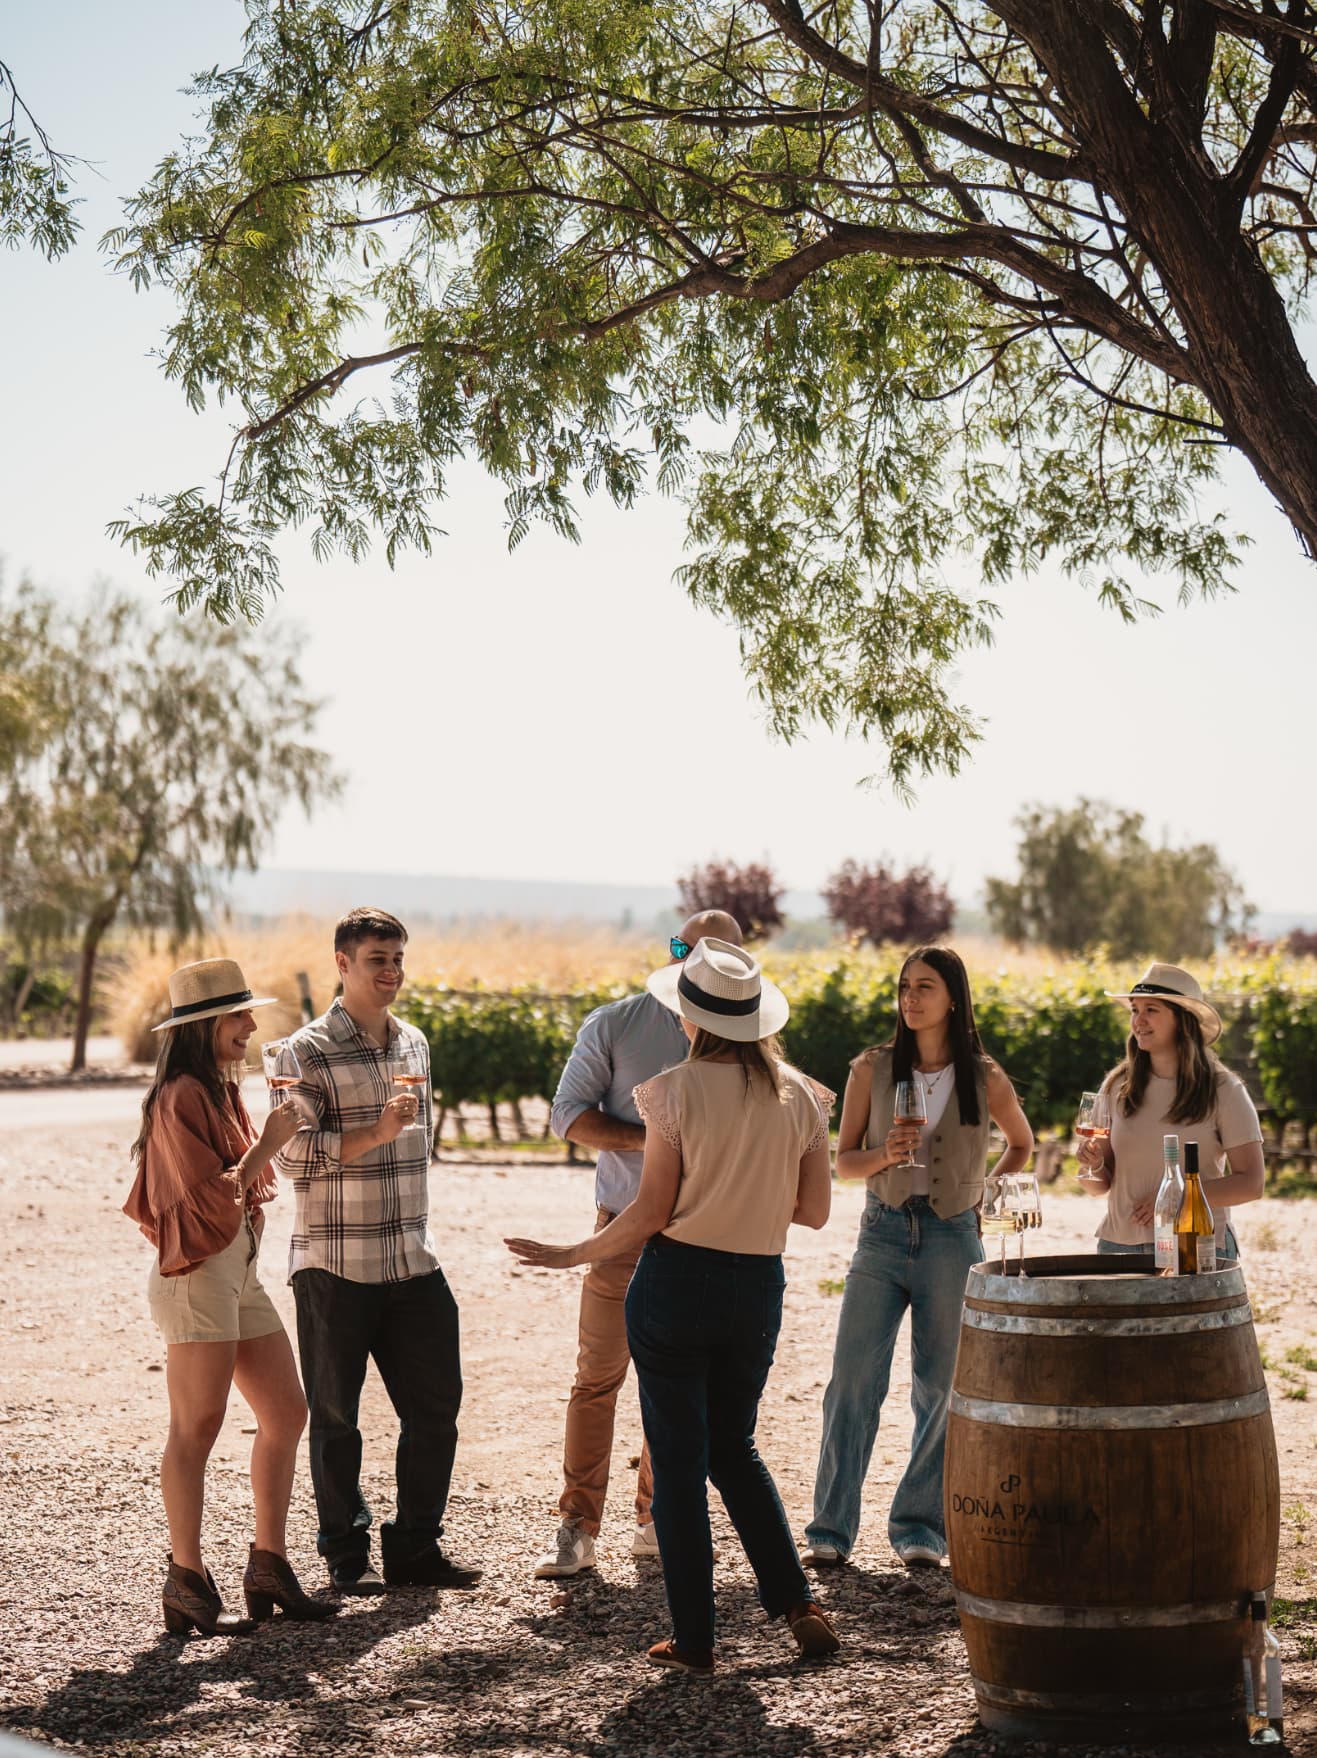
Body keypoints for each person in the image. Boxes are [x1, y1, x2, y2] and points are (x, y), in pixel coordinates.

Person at [508, 937, 840, 1673]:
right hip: (756, 1289)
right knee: (737, 1448)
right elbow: (813, 1211)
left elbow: (648, 1212)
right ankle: (796, 1602)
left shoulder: (669, 1093)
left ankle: (695, 1639)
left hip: (675, 1285)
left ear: (694, 1019)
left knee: (681, 1466)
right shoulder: (805, 1097)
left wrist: (571, 1254)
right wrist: (745, 1193)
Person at [124, 957, 337, 1637]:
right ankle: (187, 1581)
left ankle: (267, 1566)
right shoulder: (180, 1096)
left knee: (285, 1411)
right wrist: (271, 1141)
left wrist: (267, 1140)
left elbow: (238, 1188)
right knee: (196, 1428)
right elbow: (211, 1193)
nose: (251, 1025)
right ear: (208, 1024)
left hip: (234, 1272)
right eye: (240, 1015)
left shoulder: (217, 1089)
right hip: (196, 1275)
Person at [803, 945, 1033, 1571]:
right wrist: (885, 1154)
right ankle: (830, 1527)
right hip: (880, 1235)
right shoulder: (871, 1070)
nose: (910, 997)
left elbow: (1022, 1143)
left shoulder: (984, 1076)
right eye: (905, 986)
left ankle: (920, 1525)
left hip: (952, 1240)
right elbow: (842, 1160)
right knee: (852, 1380)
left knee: (941, 1388)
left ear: (953, 998)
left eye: (925, 987)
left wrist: (983, 1194)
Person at [535, 910, 742, 1580]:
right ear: (672, 949)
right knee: (597, 1378)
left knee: (678, 1385)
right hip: (621, 1226)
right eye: (685, 946)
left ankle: (654, 1519)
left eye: (715, 950)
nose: (694, 958)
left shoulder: (749, 1038)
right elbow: (567, 1115)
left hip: (705, 1236)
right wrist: (650, 1143)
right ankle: (576, 1526)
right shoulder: (615, 1024)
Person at [278, 907, 480, 1595]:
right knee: (335, 1420)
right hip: (335, 1267)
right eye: (376, 960)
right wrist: (372, 1133)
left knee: (436, 1411)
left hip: (412, 1261)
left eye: (397, 958)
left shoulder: (414, 1043)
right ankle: (345, 1552)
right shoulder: (302, 1052)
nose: (391, 971)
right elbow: (293, 1159)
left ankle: (416, 1549)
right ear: (342, 963)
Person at [1078, 962, 1265, 1259]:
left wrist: (1176, 1198)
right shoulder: (1116, 1086)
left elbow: (1252, 1183)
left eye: (1151, 1010)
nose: (1138, 1020)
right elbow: (1097, 1187)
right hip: (1119, 1248)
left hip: (1195, 1247)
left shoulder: (1224, 1090)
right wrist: (1092, 1165)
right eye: (1134, 1010)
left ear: (1183, 1020)